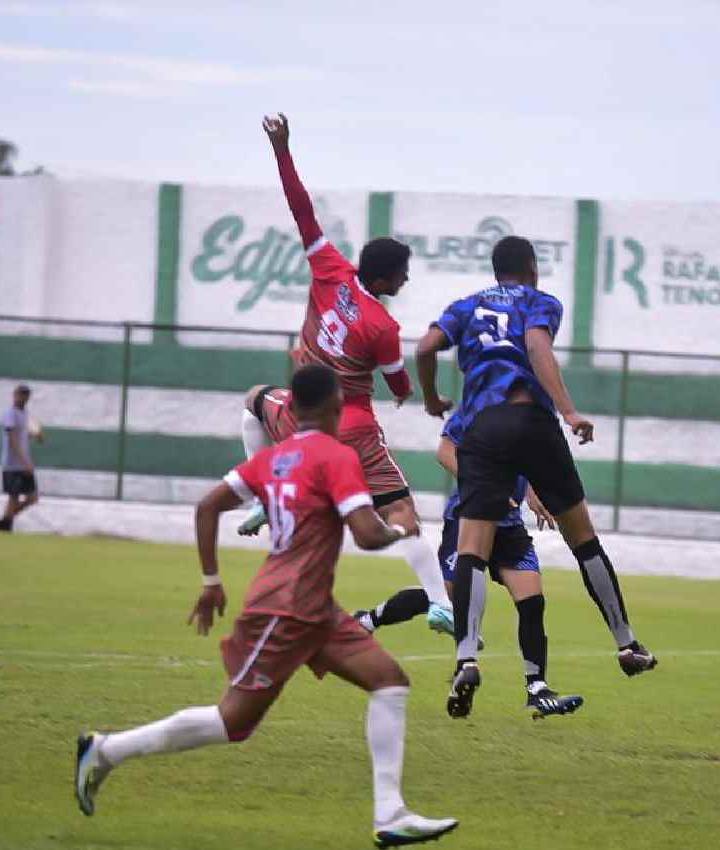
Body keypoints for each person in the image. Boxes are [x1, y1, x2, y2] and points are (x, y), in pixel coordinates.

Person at [74, 365, 459, 849]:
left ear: (293, 408)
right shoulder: (338, 456)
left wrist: (212, 581)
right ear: (339, 406)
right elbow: (366, 533)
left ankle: (390, 814)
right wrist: (401, 531)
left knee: (389, 681)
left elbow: (208, 506)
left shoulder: (275, 457)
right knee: (231, 721)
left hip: (315, 609)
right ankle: (105, 751)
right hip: (286, 609)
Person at [415, 235, 658, 719]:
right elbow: (535, 343)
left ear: (495, 268)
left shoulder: (465, 306)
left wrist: (431, 397)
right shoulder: (540, 302)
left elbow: (425, 347)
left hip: (482, 429)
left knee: (472, 550)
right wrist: (568, 412)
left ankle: (466, 657)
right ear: (531, 268)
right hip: (532, 421)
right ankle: (626, 643)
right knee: (583, 539)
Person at [236, 113, 453, 637]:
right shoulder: (382, 324)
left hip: (297, 415)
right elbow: (398, 383)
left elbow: (300, 207)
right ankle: (440, 602)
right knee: (400, 509)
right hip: (351, 429)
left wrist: (282, 151)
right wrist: (408, 395)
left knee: (252, 403)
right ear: (384, 278)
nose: (405, 280)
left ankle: (265, 491)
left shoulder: (328, 266)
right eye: (402, 274)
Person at [354, 412, 583, 719]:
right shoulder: (476, 405)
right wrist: (486, 487)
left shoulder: (529, 409)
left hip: (509, 524)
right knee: (442, 597)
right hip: (469, 516)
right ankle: (368, 621)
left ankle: (537, 690)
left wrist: (531, 491)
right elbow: (445, 452)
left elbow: (525, 460)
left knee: (532, 601)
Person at [0, 384, 43, 532]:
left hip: (24, 462)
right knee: (13, 496)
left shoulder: (25, 414)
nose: (22, 397)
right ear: (14, 395)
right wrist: (24, 462)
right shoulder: (10, 413)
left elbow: (23, 435)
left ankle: (5, 521)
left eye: (25, 394)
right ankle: (5, 524)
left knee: (32, 498)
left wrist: (36, 436)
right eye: (20, 394)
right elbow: (12, 439)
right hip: (12, 463)